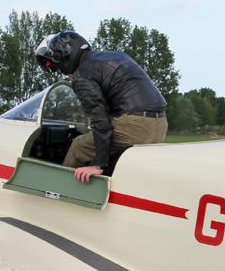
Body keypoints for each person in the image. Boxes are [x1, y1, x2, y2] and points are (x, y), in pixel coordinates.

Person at [35, 31, 168, 182]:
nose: (61, 71)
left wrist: (99, 164)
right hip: (160, 125)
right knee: (100, 144)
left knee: (79, 146)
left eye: (57, 66)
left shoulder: (83, 74)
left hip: (137, 126)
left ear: (64, 56)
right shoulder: (114, 56)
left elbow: (100, 118)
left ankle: (58, 189)